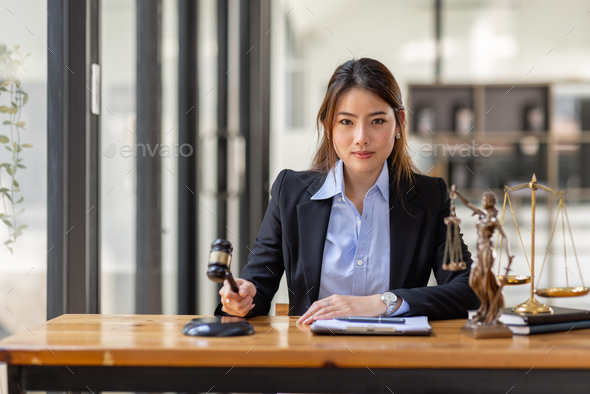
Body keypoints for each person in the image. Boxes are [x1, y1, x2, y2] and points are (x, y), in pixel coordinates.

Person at [215, 58, 480, 324]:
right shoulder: (290, 192)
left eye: (377, 121)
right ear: (328, 126)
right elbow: (257, 289)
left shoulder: (429, 196)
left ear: (398, 123)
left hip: (397, 355)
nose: (361, 137)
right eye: (346, 122)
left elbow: (468, 290)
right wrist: (241, 299)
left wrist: (380, 303)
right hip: (312, 356)